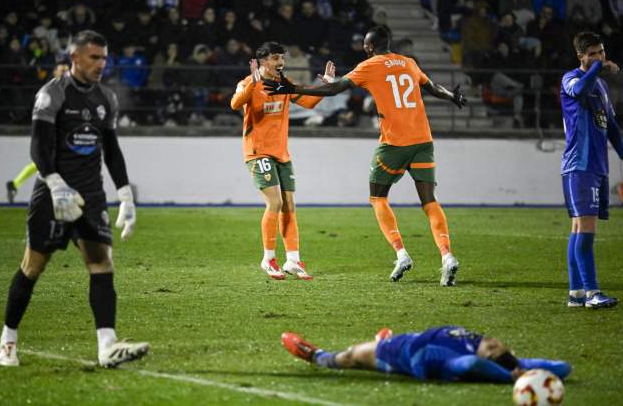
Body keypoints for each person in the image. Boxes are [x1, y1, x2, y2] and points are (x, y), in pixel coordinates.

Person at [264, 26, 466, 285]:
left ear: (369, 48)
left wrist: (288, 90)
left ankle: (401, 253)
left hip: (394, 143)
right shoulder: (408, 62)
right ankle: (447, 256)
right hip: (423, 140)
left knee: (377, 197)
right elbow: (433, 88)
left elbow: (333, 91)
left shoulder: (370, 65)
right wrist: (453, 96)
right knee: (429, 200)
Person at [0, 30, 149, 368]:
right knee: (32, 267)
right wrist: (53, 182)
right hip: (53, 193)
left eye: (104, 58)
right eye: (94, 58)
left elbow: (111, 149)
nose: (101, 64)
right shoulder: (52, 94)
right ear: (75, 58)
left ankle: (107, 347)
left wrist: (125, 194)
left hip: (91, 195)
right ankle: (8, 339)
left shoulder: (106, 98)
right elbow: (38, 145)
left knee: (102, 264)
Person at [230, 41, 335, 281]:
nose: (281, 63)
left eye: (282, 58)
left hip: (281, 153)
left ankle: (293, 260)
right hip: (257, 152)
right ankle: (268, 259)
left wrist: (326, 83)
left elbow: (308, 102)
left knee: (289, 205)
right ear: (263, 61)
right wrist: (253, 83)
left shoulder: (283, 85)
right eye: (276, 58)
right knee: (274, 203)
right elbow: (234, 104)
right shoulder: (247, 83)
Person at [560, 31, 623, 308]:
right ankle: (592, 293)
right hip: (579, 165)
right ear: (581, 56)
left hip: (597, 166)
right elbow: (579, 90)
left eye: (602, 52)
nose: (599, 57)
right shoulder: (570, 79)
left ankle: (576, 295)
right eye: (593, 53)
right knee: (586, 228)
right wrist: (599, 68)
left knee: (578, 229)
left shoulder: (602, 88)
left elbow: (612, 128)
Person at [281, 326, 571, 382]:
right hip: (410, 340)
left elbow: (470, 364)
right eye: (496, 344)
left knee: (351, 357)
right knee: (354, 354)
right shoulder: (477, 342)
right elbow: (561, 366)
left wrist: (511, 376)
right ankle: (320, 354)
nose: (493, 342)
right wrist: (521, 367)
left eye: (493, 348)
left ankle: (316, 355)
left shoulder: (464, 360)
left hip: (399, 354)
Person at [5, 62, 71, 203]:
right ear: (54, 72)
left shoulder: (66, 89)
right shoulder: (49, 90)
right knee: (48, 161)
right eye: (62, 70)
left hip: (59, 130)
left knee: (44, 162)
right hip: (49, 129)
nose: (65, 72)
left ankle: (15, 184)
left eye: (67, 70)